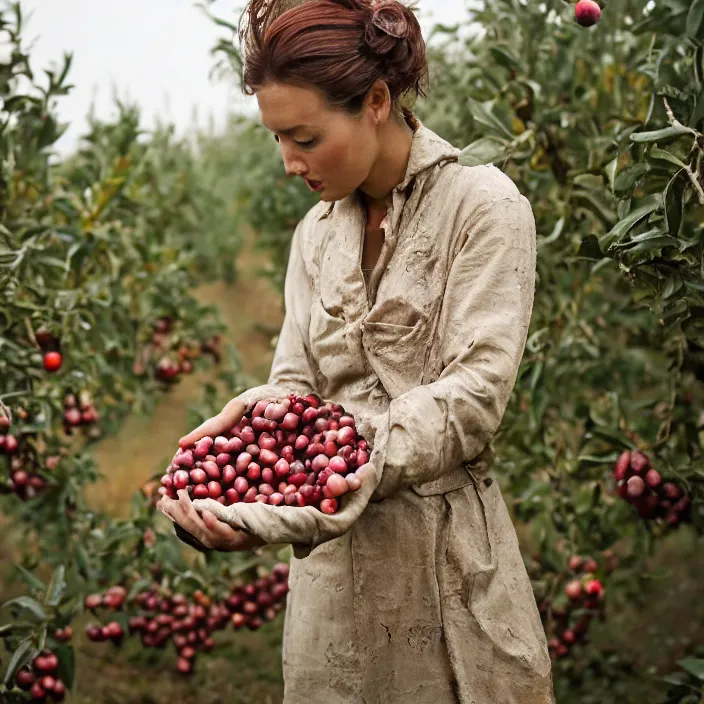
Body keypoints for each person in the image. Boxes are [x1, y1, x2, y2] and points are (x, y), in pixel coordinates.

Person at [158, 0, 555, 701]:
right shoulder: (313, 237)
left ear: (375, 101)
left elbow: (475, 396)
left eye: (304, 138)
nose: (288, 164)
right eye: (277, 140)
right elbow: (294, 383)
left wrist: (347, 456)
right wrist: (253, 436)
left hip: (448, 571)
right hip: (330, 592)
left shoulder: (483, 208)